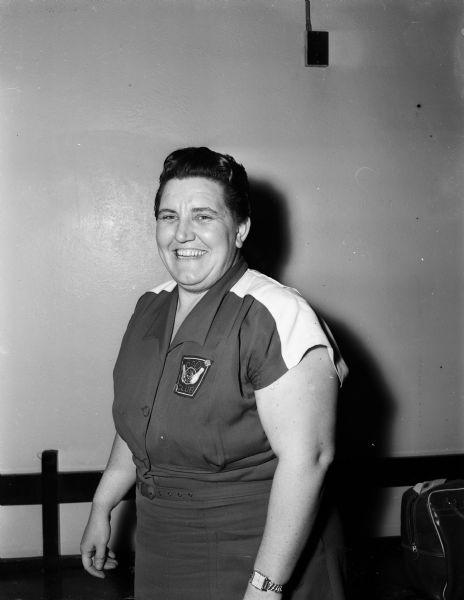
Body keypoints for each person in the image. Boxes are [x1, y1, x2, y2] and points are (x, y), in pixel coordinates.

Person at [80, 147, 349, 600]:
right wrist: (102, 505)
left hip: (261, 554)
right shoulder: (150, 306)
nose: (182, 233)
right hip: (162, 545)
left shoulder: (277, 313)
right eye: (169, 217)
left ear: (240, 229)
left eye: (203, 216)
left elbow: (309, 460)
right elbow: (139, 422)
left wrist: (266, 588)